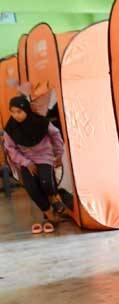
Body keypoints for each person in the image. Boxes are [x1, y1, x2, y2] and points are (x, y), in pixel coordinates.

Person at [2, 96, 64, 233]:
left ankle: (54, 198)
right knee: (31, 187)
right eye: (12, 112)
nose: (15, 115)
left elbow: (56, 134)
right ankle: (49, 214)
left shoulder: (41, 122)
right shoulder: (10, 128)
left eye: (19, 111)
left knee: (46, 181)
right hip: (25, 159)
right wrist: (26, 162)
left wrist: (59, 154)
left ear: (26, 110)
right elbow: (11, 149)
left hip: (44, 156)